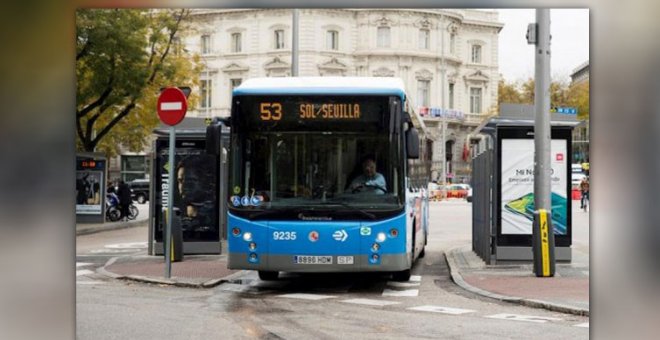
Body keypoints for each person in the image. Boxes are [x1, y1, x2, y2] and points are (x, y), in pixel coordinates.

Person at [176, 156, 216, 232]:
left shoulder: (213, 216)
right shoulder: (176, 214)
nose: (184, 186)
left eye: (191, 181)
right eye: (180, 181)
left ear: (205, 182)